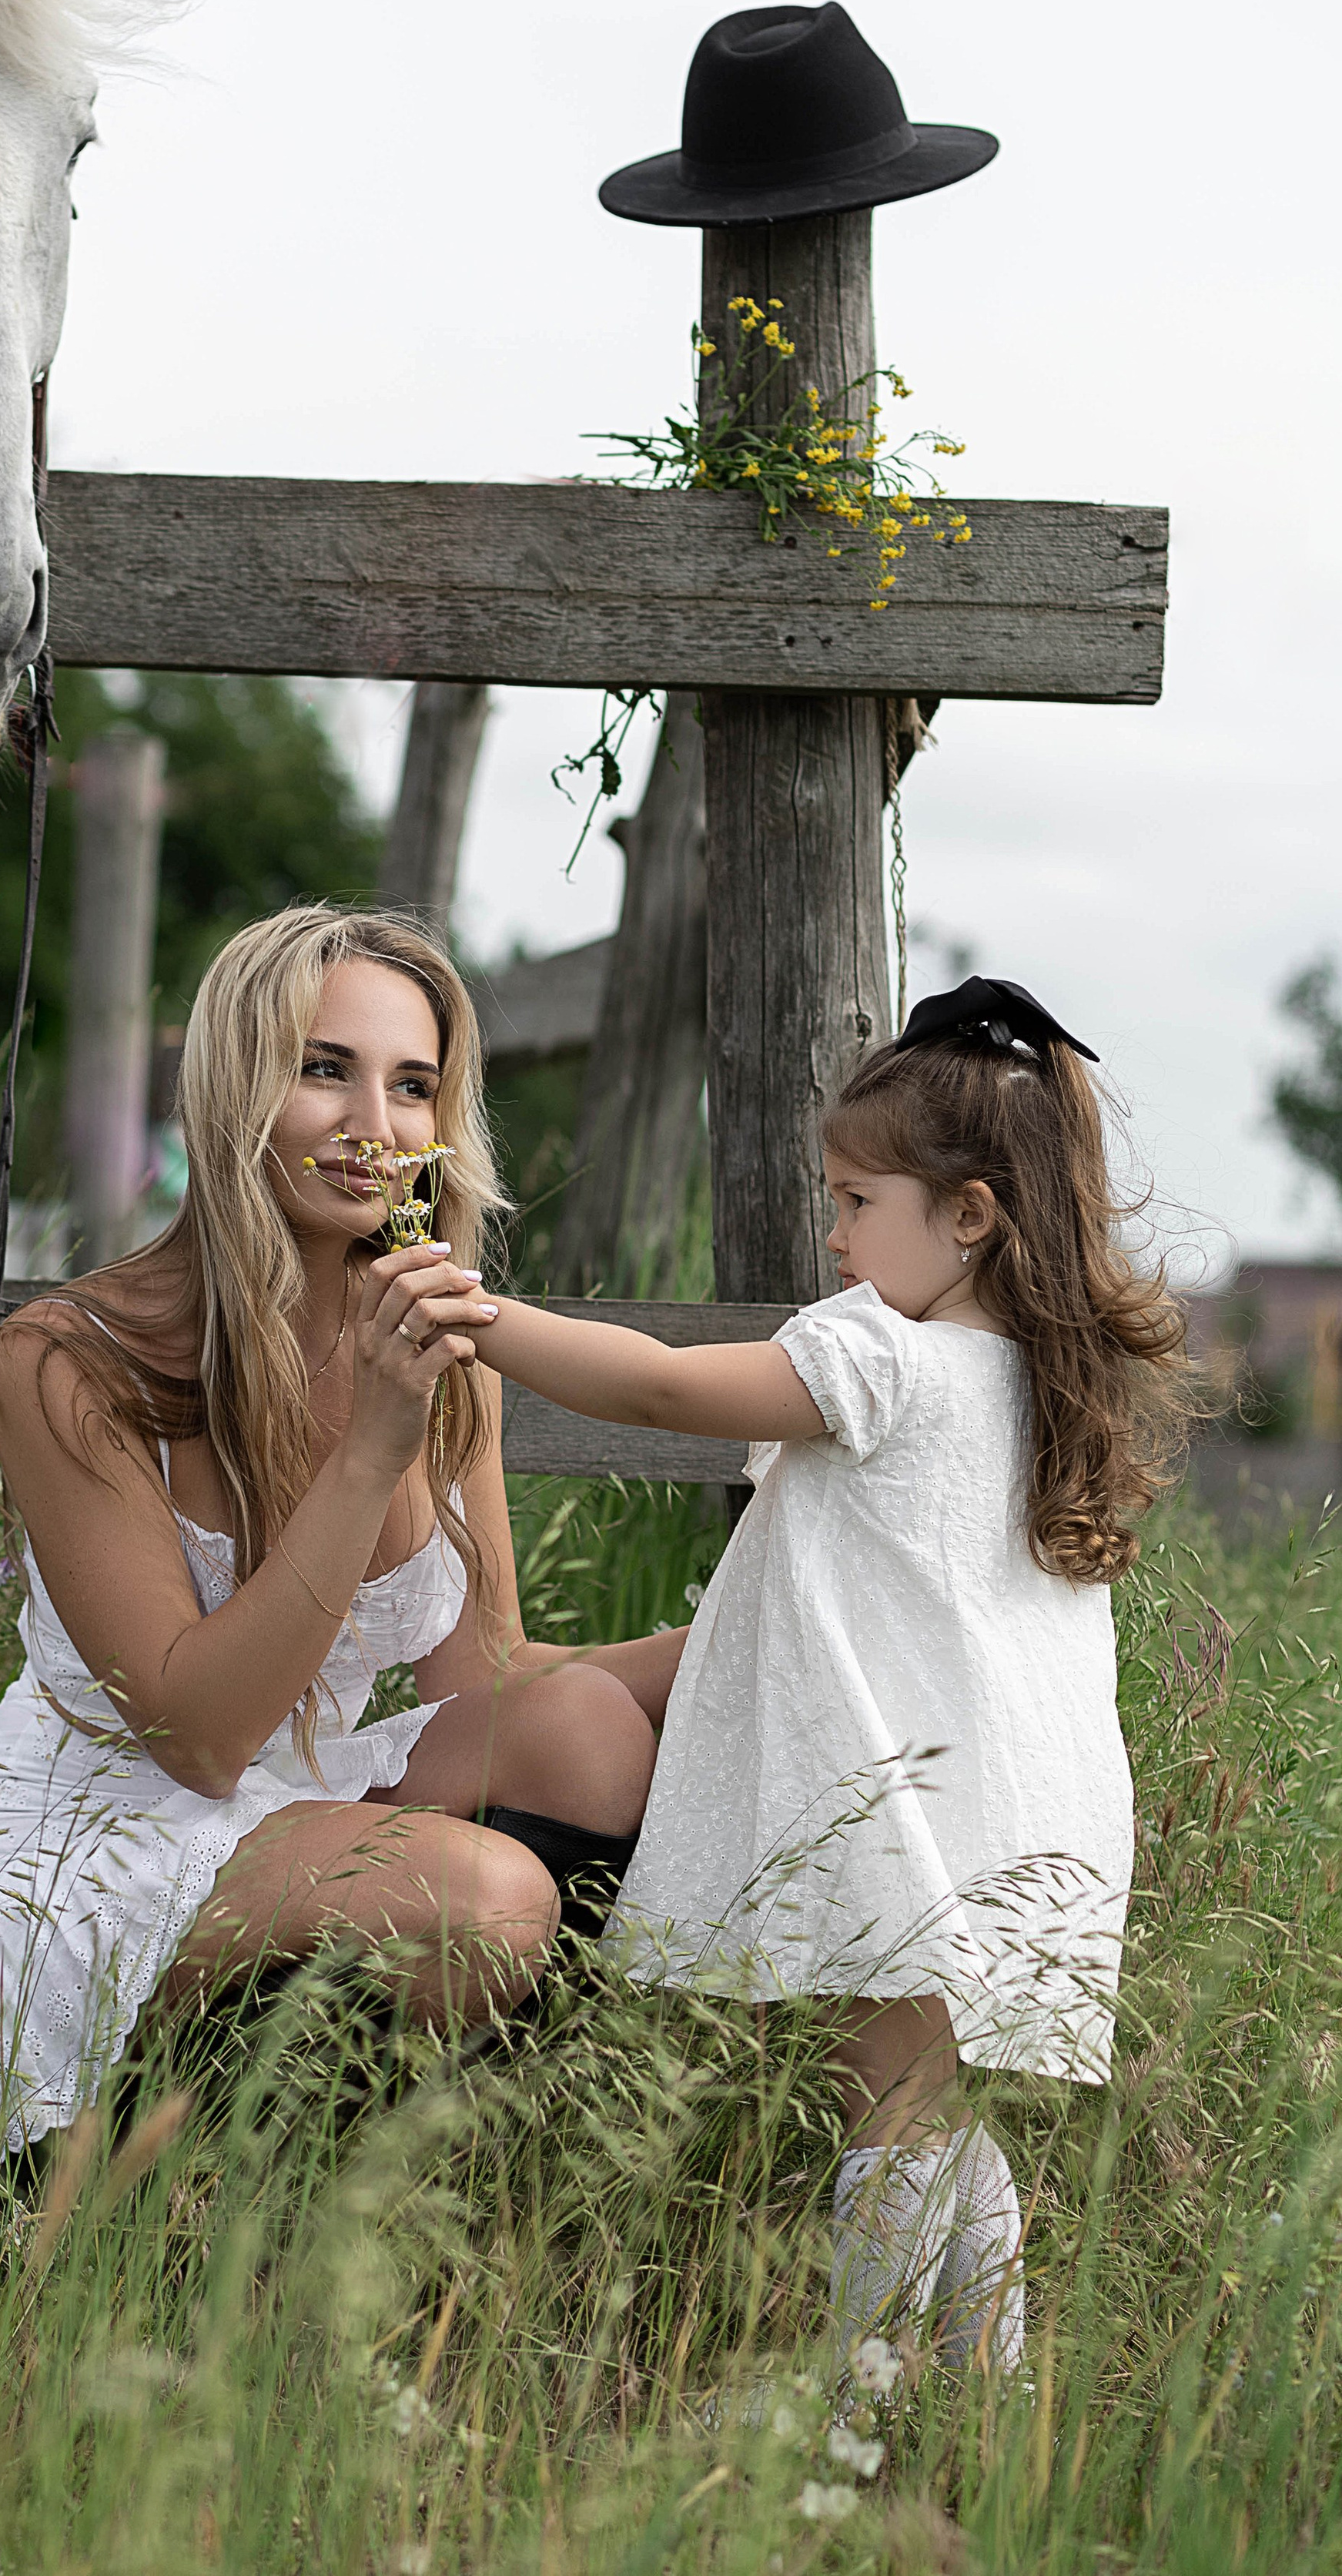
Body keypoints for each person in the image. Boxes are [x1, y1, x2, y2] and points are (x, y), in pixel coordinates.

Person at [417, 977, 1190, 2373]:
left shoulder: (883, 1357)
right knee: (934, 2108)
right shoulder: (1036, 1386)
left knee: (886, 2108)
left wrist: (480, 1317)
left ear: (970, 1215)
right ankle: (977, 2382)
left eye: (855, 1201)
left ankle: (860, 2392)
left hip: (892, 1819)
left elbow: (660, 1387)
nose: (832, 1235)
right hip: (1005, 1826)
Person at [0, 905, 687, 2168]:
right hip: (102, 1828)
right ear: (235, 1083)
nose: (376, 1126)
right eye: (324, 1069)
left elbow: (486, 1676)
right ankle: (155, 2165)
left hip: (300, 1797)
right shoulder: (67, 1358)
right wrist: (371, 1449)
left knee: (585, 1731)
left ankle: (371, 2163)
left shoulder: (442, 1343)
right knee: (486, 1900)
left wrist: (759, 1633)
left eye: (411, 1086)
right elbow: (199, 1740)